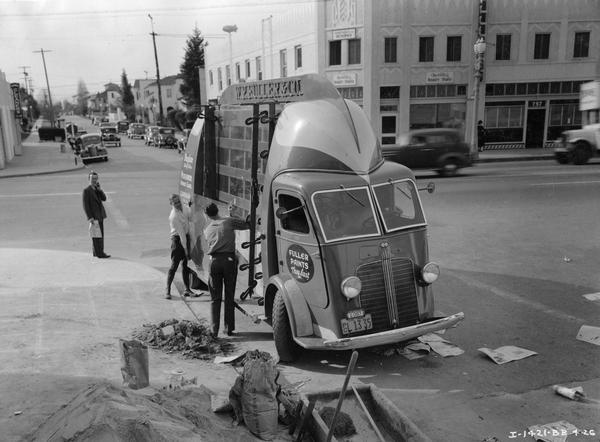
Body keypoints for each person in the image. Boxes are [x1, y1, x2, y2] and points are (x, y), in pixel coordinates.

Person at [204, 202, 249, 336]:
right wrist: (233, 213)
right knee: (229, 296)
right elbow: (246, 224)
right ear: (218, 210)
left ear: (207, 215)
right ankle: (228, 328)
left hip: (214, 263)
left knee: (215, 298)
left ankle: (214, 330)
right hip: (229, 261)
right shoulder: (229, 221)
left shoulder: (207, 229)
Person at [166, 194, 193, 300]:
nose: (178, 204)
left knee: (186, 266)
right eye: (175, 203)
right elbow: (181, 235)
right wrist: (186, 250)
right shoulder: (173, 216)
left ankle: (187, 289)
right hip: (177, 240)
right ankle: (167, 289)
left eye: (178, 201)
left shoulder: (186, 208)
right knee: (174, 265)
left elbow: (191, 217)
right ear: (171, 204)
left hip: (186, 237)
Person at [82, 171, 110, 258]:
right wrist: (90, 217)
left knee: (98, 234)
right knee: (97, 236)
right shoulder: (86, 191)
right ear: (88, 179)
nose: (94, 180)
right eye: (92, 179)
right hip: (94, 217)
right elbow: (85, 205)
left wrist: (100, 190)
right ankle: (100, 253)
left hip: (100, 215)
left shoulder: (97, 189)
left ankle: (96, 252)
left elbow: (104, 198)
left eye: (95, 178)